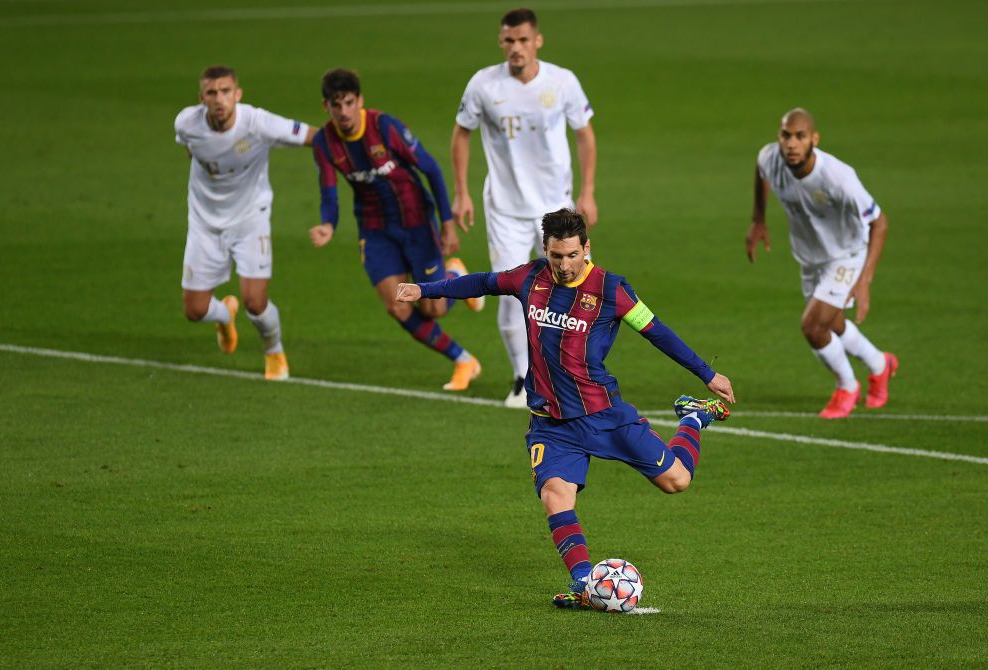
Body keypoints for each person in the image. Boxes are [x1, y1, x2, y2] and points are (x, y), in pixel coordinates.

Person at [396, 209, 735, 608]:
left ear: (586, 248)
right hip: (550, 423)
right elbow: (483, 283)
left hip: (603, 415)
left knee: (676, 481)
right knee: (556, 495)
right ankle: (584, 584)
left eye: (572, 255)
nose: (564, 265)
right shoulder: (529, 277)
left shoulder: (613, 289)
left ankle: (694, 417)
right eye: (556, 256)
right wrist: (425, 289)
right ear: (546, 249)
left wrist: (706, 373)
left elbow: (656, 331)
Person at [452, 8, 598, 407]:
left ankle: (573, 374)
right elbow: (461, 134)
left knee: (575, 289)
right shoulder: (484, 84)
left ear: (537, 41)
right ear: (501, 42)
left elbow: (584, 135)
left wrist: (588, 193)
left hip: (558, 209)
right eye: (508, 41)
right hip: (505, 209)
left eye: (522, 40)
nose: (516, 48)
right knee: (510, 291)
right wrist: (462, 192)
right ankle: (522, 378)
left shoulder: (562, 82)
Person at [309, 68, 483, 391]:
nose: (344, 112)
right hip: (375, 230)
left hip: (416, 221)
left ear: (359, 100)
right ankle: (463, 360)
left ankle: (455, 275)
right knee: (398, 305)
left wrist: (447, 224)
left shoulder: (384, 127)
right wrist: (327, 225)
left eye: (349, 102)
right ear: (326, 107)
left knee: (434, 308)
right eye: (337, 105)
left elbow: (430, 169)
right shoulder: (324, 142)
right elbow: (329, 192)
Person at [747, 108, 898, 419]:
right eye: (785, 135)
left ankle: (847, 387)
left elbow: (880, 223)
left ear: (814, 139)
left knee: (814, 327)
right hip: (811, 257)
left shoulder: (838, 178)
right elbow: (761, 171)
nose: (791, 143)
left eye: (800, 136)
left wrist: (864, 281)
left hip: (846, 254)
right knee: (832, 322)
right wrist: (758, 219)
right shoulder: (770, 158)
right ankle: (880, 365)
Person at [175, 65, 316, 380]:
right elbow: (190, 147)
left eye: (226, 91)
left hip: (251, 219)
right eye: (212, 93)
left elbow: (313, 137)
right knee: (194, 310)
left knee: (255, 301)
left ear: (238, 94)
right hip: (204, 222)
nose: (219, 99)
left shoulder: (257, 123)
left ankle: (274, 350)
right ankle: (225, 315)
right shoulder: (187, 123)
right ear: (201, 98)